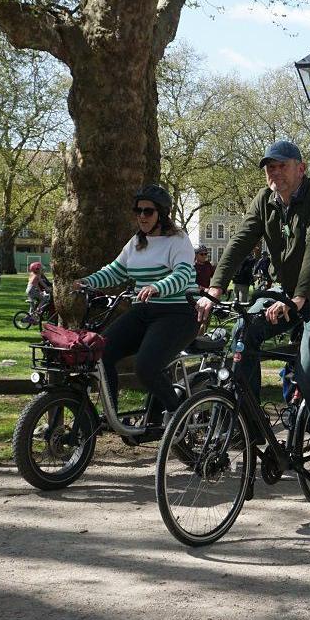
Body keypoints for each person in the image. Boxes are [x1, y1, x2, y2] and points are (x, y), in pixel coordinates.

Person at [200, 140, 310, 488]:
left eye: (281, 165)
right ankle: (249, 427)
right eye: (269, 166)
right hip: (285, 293)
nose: (274, 172)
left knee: (309, 371)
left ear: (300, 168)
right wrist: (215, 289)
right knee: (243, 331)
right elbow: (239, 242)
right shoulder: (263, 201)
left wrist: (298, 299)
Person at [74, 185, 199, 439]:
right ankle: (111, 418)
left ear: (162, 214)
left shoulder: (178, 240)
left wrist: (157, 287)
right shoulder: (136, 243)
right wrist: (87, 282)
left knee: (146, 367)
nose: (142, 216)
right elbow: (115, 271)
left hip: (177, 314)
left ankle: (178, 415)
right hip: (144, 311)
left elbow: (183, 275)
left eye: (148, 211)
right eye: (138, 210)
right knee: (101, 353)